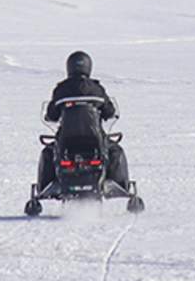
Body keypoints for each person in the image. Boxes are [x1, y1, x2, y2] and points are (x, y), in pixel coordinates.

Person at [39, 50, 129, 189]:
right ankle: (122, 186)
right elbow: (109, 111)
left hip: (66, 142)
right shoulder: (96, 89)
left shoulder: (61, 90)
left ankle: (43, 188)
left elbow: (52, 115)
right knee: (115, 151)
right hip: (95, 141)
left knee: (48, 153)